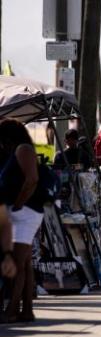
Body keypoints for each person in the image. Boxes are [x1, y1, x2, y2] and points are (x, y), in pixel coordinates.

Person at [0, 119, 48, 324]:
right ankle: (26, 309)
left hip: (25, 213)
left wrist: (19, 203)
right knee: (26, 265)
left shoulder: (23, 149)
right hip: (27, 211)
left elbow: (32, 179)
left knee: (17, 265)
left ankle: (11, 310)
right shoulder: (22, 149)